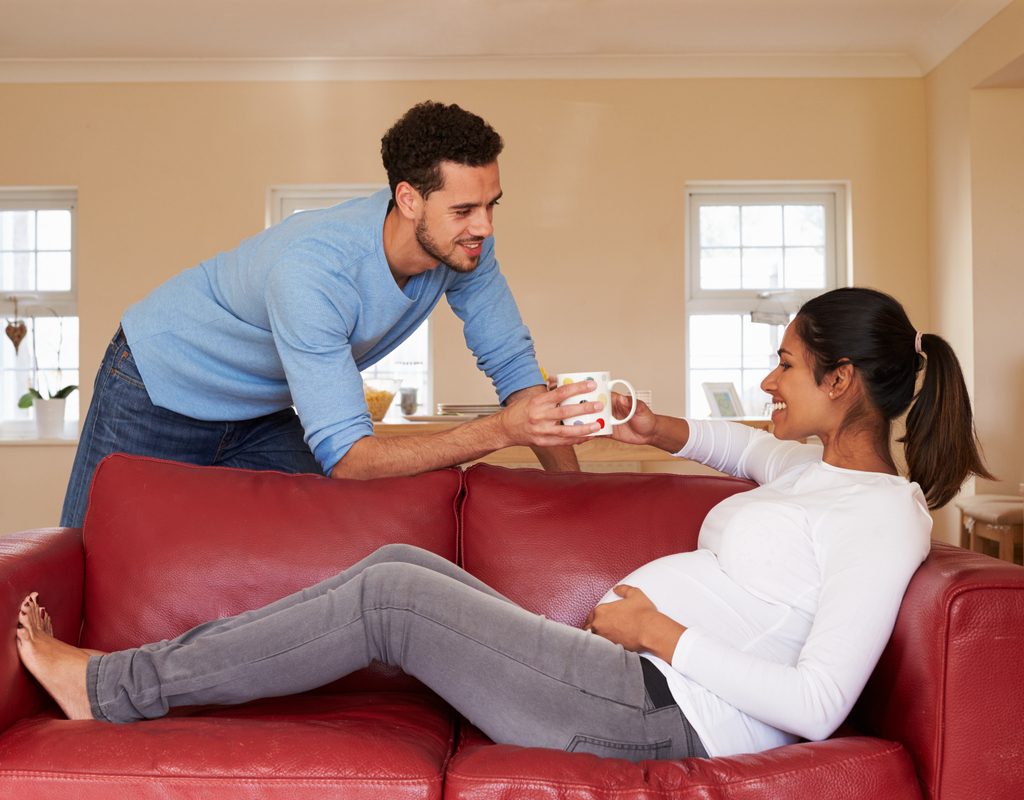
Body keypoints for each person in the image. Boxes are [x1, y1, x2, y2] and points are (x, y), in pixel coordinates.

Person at [20, 287, 992, 759]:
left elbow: (817, 701)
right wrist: (643, 421)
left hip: (663, 710)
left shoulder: (884, 516)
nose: (769, 383)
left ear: (841, 380)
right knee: (402, 562)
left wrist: (662, 630)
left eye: (784, 364)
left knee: (395, 591)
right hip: (626, 675)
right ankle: (122, 683)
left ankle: (113, 686)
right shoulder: (810, 471)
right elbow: (727, 447)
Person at [59, 101, 594, 528]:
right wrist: (501, 430)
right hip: (156, 382)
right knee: (92, 547)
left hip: (258, 412)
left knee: (371, 513)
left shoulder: (465, 249)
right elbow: (350, 459)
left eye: (491, 204)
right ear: (408, 200)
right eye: (463, 210)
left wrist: (579, 508)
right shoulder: (315, 271)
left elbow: (518, 374)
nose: (484, 226)